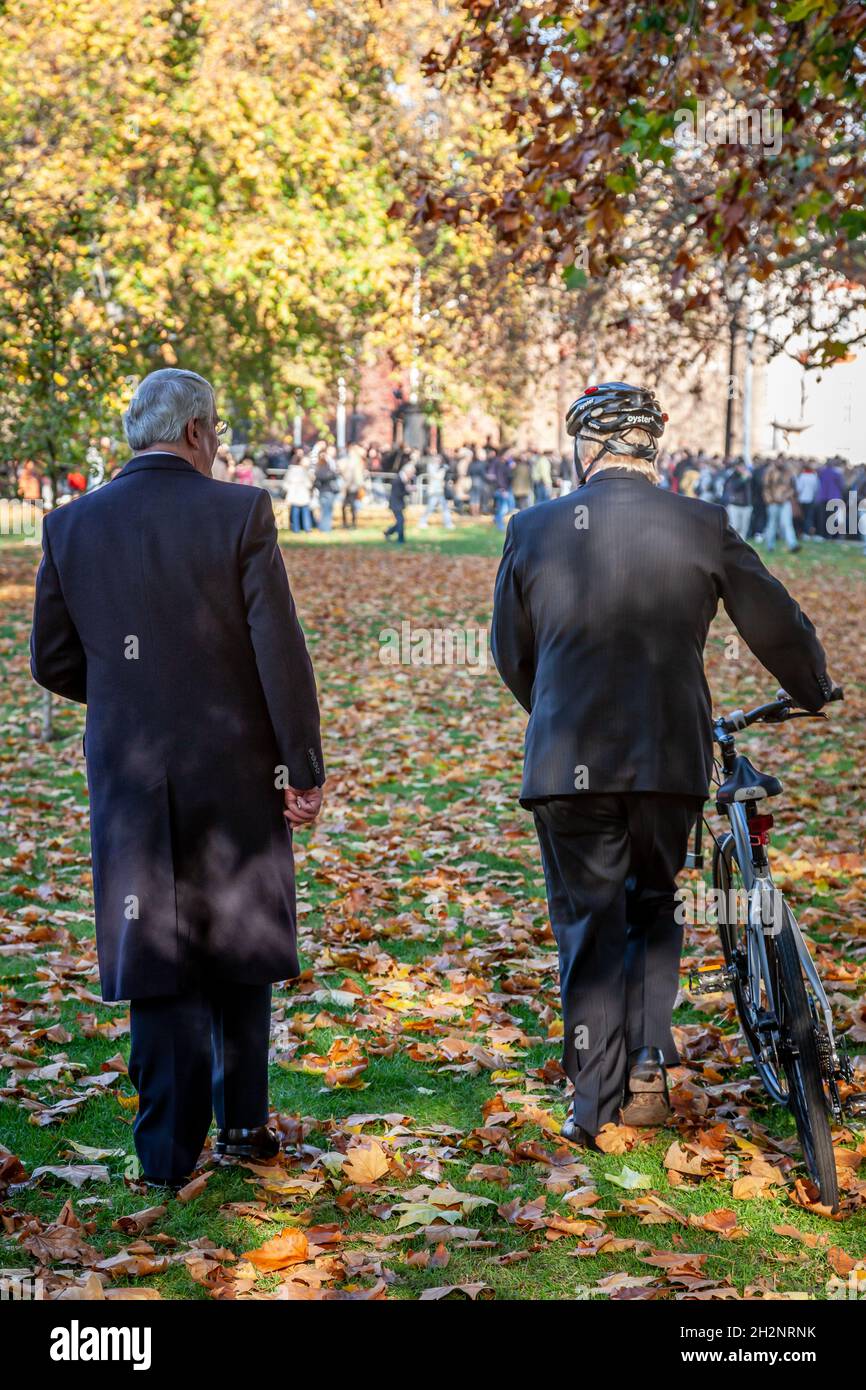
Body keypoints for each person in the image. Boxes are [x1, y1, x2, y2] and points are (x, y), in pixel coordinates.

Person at [491, 380, 834, 1149]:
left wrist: (554, 713)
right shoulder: (700, 523)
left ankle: (593, 1100)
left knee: (586, 922)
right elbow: (773, 622)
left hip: (567, 758)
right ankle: (646, 1060)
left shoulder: (534, 527)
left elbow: (510, 654)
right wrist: (811, 688)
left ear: (586, 448)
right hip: (667, 755)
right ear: (655, 447)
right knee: (653, 907)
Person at [30, 367, 325, 1187]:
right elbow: (280, 652)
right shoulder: (239, 512)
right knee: (237, 937)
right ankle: (240, 1130)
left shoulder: (70, 525)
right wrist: (302, 767)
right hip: (234, 762)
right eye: (220, 431)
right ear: (197, 432)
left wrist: (132, 691)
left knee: (156, 943)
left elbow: (51, 658)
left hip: (130, 772)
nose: (220, 445)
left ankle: (164, 1156)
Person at [762, 456, 800, 553]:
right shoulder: (770, 472)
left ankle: (793, 545)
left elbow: (793, 488)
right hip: (773, 503)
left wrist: (786, 496)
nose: (780, 462)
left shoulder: (789, 473)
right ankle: (770, 546)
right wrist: (770, 499)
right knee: (772, 524)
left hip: (785, 502)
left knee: (787, 524)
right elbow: (765, 487)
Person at [418, 454, 454, 529]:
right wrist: (442, 469)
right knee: (430, 507)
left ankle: (448, 523)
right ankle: (422, 522)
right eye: (436, 459)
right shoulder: (431, 466)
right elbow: (437, 476)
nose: (438, 461)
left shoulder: (441, 467)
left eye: (439, 459)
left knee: (445, 508)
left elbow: (444, 475)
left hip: (440, 491)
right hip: (433, 491)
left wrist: (444, 469)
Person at [384, 458, 414, 543]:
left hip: (398, 503)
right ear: (408, 472)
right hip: (395, 504)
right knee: (401, 521)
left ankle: (388, 532)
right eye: (412, 473)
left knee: (401, 521)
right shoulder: (398, 480)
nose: (413, 475)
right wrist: (407, 490)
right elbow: (398, 493)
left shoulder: (403, 479)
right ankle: (400, 539)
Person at [722, 458, 753, 538]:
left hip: (747, 505)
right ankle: (733, 545)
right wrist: (744, 478)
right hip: (735, 505)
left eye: (743, 466)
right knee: (735, 527)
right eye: (740, 466)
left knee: (744, 529)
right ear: (736, 467)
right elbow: (734, 487)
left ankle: (742, 546)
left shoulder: (749, 476)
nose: (742, 468)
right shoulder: (733, 476)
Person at [283, 454, 314, 532]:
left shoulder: (290, 470)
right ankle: (307, 528)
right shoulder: (304, 471)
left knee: (295, 512)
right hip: (303, 493)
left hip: (293, 493)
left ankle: (296, 529)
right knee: (305, 511)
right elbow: (308, 484)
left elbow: (285, 484)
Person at [313, 448, 340, 532]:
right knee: (327, 511)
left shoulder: (318, 468)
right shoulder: (327, 468)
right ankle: (326, 528)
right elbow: (333, 476)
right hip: (327, 491)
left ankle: (322, 527)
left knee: (323, 510)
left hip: (322, 491)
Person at [340, 443, 365, 528]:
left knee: (351, 506)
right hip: (349, 486)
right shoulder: (351, 460)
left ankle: (352, 523)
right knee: (346, 506)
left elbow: (353, 476)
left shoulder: (355, 461)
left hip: (352, 487)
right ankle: (347, 523)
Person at [795, 460, 820, 539]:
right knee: (809, 517)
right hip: (811, 499)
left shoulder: (802, 476)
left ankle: (803, 532)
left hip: (802, 499)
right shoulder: (814, 477)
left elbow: (799, 488)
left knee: (802, 517)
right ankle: (808, 532)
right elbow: (816, 489)